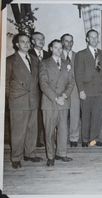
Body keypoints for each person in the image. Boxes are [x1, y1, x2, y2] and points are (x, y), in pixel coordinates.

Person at [6, 33, 42, 169]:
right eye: (23, 42)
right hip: (18, 101)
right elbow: (5, 83)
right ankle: (16, 157)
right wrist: (13, 97)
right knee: (18, 131)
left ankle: (30, 154)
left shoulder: (34, 59)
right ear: (17, 44)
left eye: (28, 42)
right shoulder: (10, 60)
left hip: (33, 100)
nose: (26, 44)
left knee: (32, 129)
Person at [39, 39, 75, 167]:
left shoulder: (67, 64)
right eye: (56, 48)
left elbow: (71, 82)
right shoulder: (44, 63)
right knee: (49, 131)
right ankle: (50, 156)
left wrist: (64, 95)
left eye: (60, 48)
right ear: (50, 49)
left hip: (64, 102)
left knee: (63, 130)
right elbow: (43, 84)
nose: (58, 50)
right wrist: (56, 98)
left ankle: (62, 153)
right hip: (50, 102)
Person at [74, 29, 102, 147]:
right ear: (87, 39)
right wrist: (81, 90)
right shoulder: (81, 54)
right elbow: (78, 73)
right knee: (86, 116)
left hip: (99, 90)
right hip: (87, 91)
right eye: (91, 37)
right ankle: (85, 140)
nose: (94, 39)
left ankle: (94, 139)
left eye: (96, 37)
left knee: (97, 116)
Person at [29, 31, 50, 148]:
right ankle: (34, 141)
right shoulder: (28, 54)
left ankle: (43, 140)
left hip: (46, 92)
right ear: (32, 41)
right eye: (38, 39)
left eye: (43, 39)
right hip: (33, 91)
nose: (41, 41)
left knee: (44, 116)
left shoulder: (48, 55)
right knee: (34, 117)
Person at [61, 33, 81, 147]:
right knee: (62, 115)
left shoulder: (77, 56)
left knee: (75, 114)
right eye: (67, 41)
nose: (69, 43)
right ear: (62, 42)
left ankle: (74, 138)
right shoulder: (57, 55)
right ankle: (61, 138)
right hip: (61, 90)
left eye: (71, 41)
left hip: (74, 89)